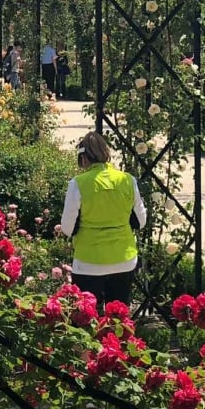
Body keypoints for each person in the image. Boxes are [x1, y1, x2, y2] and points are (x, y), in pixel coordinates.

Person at [59, 131, 148, 309]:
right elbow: (140, 221)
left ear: (83, 158)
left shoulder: (78, 183)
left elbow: (68, 228)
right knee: (119, 317)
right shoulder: (128, 180)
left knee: (85, 317)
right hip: (124, 259)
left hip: (88, 262)